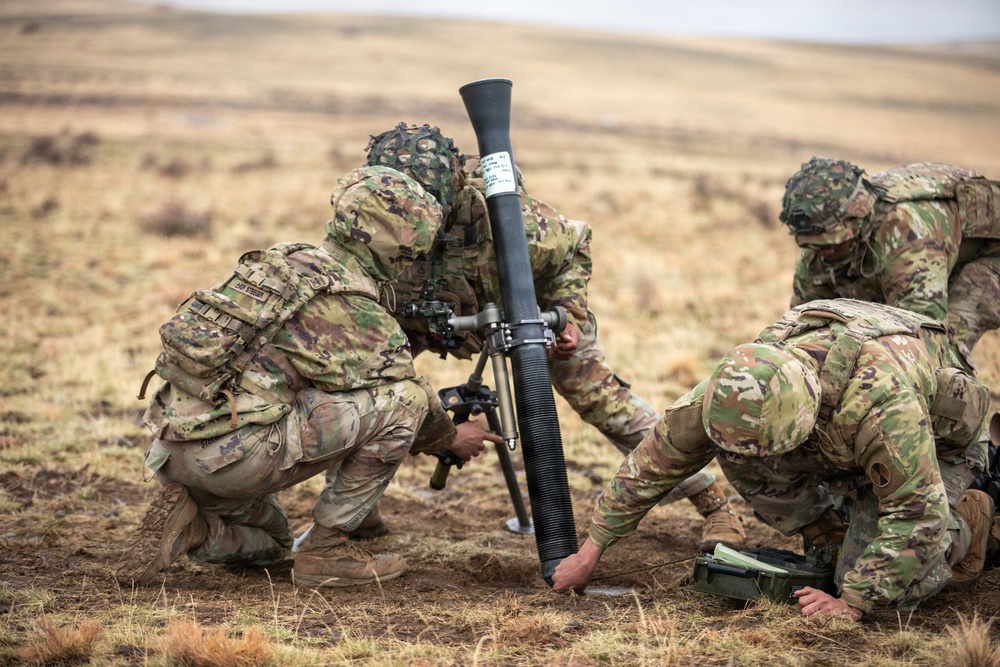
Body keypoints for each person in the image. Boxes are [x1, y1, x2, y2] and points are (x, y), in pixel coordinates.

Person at [115, 126, 501, 589]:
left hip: (172, 447)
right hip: (235, 457)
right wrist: (450, 438)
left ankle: (197, 524)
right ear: (405, 245)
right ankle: (328, 550)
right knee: (406, 400)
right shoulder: (354, 308)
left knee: (271, 543)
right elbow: (411, 403)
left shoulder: (286, 259)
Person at [360, 123, 744, 552]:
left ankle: (714, 505)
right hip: (433, 317)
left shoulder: (509, 220)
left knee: (603, 400)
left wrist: (568, 316)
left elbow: (576, 243)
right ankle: (356, 511)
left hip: (534, 316)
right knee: (367, 382)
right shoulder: (384, 223)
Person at [552, 298, 995, 620]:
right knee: (744, 457)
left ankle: (971, 523)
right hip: (847, 437)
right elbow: (653, 463)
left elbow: (917, 512)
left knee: (888, 588)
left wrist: (855, 600)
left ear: (802, 422)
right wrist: (592, 550)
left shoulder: (880, 405)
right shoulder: (733, 389)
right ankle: (828, 532)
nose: (766, 463)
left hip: (938, 441)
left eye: (775, 447)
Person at [780, 157, 1000, 373]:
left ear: (856, 216)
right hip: (934, 254)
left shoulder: (906, 232)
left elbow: (925, 337)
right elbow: (802, 325)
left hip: (989, 257)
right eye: (814, 245)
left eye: (832, 242)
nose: (824, 252)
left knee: (935, 356)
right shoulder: (816, 251)